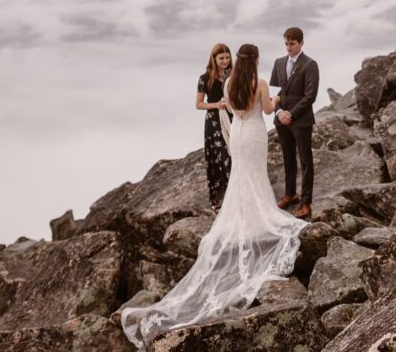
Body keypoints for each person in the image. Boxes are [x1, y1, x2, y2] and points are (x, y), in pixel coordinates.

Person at [122, 44, 308, 348]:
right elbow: (267, 109)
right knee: (255, 175)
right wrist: (276, 98)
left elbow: (232, 110)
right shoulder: (258, 83)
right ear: (256, 60)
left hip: (238, 134)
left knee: (240, 177)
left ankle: (246, 218)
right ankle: (259, 219)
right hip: (256, 133)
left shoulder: (228, 83)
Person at [268, 27, 320, 219]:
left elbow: (310, 96)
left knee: (305, 161)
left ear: (301, 43)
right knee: (287, 158)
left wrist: (291, 113)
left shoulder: (310, 64)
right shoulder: (279, 63)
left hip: (301, 120)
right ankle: (290, 194)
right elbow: (274, 92)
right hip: (281, 119)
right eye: (286, 43)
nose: (289, 47)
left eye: (293, 43)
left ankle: (306, 202)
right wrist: (279, 111)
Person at [196, 43, 232, 212]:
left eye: (227, 57)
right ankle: (217, 198)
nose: (225, 61)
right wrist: (217, 105)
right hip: (214, 120)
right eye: (221, 58)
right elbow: (199, 104)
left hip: (232, 117)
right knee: (218, 156)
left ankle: (233, 195)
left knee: (233, 155)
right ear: (214, 59)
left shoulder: (233, 74)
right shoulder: (205, 78)